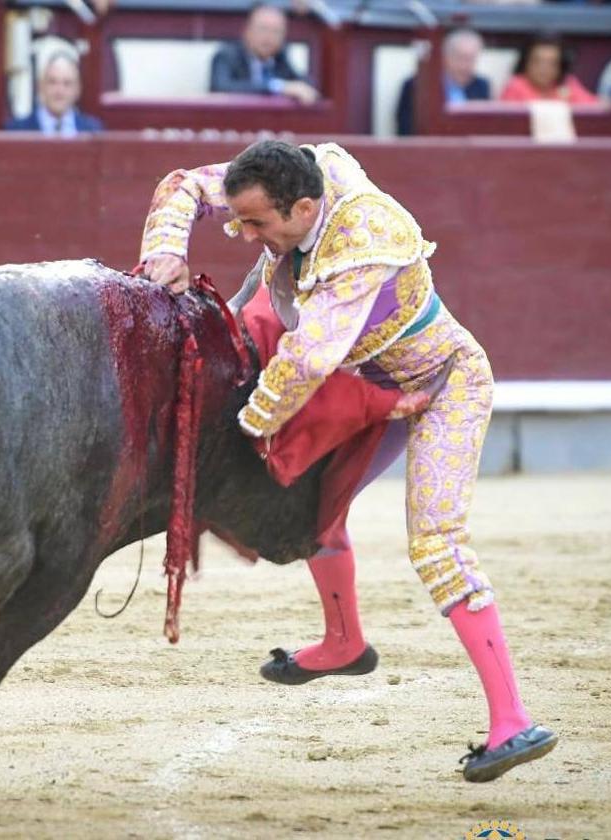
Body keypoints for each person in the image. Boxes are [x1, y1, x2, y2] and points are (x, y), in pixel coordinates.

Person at [139, 140, 558, 783]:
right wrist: (166, 248)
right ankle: (343, 644)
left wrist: (251, 427)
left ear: (305, 209)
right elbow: (187, 183)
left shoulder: (363, 242)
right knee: (312, 503)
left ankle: (511, 721)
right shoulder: (295, 177)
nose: (246, 235)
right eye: (240, 220)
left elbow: (308, 358)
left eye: (258, 225)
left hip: (442, 386)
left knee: (437, 545)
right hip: (371, 385)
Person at [209, 3, 317, 104]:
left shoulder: (280, 57)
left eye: (276, 31)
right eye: (263, 29)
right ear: (247, 31)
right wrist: (277, 87)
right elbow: (221, 87)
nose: (268, 37)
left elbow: (304, 84)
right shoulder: (226, 55)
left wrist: (305, 88)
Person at [396, 28, 491, 136]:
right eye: (461, 58)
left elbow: (485, 130)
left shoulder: (482, 85)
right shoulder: (416, 86)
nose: (465, 65)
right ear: (445, 57)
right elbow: (406, 131)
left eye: (471, 59)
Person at [4, 51, 102, 136]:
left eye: (67, 83)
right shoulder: (16, 131)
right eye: (52, 82)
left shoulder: (93, 131)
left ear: (77, 90)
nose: (59, 91)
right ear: (40, 87)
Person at [499, 32, 598, 105]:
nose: (544, 69)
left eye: (551, 63)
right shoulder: (515, 86)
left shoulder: (567, 83)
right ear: (526, 62)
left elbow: (596, 107)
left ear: (561, 66)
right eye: (538, 62)